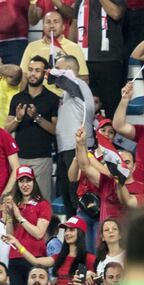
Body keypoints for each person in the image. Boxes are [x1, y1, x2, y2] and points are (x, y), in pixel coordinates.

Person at [4, 216, 95, 285]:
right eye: (66, 230)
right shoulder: (59, 257)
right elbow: (35, 261)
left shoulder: (90, 258)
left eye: (71, 230)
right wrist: (17, 243)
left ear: (80, 233)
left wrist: (91, 274)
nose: (67, 233)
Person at [5, 56, 59, 200]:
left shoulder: (52, 98)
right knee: (16, 203)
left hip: (42, 159)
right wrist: (18, 119)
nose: (32, 74)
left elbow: (56, 130)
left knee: (42, 203)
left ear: (44, 73)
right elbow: (6, 130)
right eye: (30, 70)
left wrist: (37, 117)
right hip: (19, 159)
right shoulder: (17, 98)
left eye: (37, 70)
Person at [52, 55, 95, 217]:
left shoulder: (79, 85)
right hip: (66, 148)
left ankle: (84, 235)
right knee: (68, 200)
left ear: (69, 71)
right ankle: (73, 236)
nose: (55, 70)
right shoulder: (67, 93)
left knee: (77, 197)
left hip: (77, 148)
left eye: (59, 67)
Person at [4, 167, 53, 285]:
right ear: (17, 184)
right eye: (21, 181)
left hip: (35, 258)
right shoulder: (15, 204)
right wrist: (8, 214)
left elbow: (39, 233)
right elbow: (10, 234)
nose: (25, 185)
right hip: (15, 258)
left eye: (28, 180)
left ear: (34, 181)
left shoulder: (42, 204)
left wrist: (19, 216)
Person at [73, 0, 125, 114]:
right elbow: (74, 26)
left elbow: (116, 14)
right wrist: (70, 53)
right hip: (84, 61)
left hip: (109, 61)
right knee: (86, 108)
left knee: (112, 106)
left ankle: (112, 131)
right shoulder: (80, 1)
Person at [20, 11, 89, 95]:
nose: (52, 26)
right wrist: (22, 97)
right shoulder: (32, 46)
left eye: (56, 22)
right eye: (48, 22)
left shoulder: (74, 47)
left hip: (64, 98)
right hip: (39, 98)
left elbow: (84, 77)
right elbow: (24, 75)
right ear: (43, 26)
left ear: (63, 27)